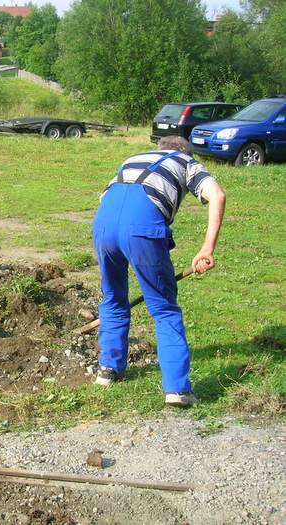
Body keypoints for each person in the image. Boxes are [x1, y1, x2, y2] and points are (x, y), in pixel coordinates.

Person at [92, 135, 226, 407]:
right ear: (186, 152)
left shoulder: (134, 158)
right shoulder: (187, 162)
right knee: (164, 308)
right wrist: (207, 248)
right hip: (142, 226)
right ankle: (177, 390)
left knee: (113, 298)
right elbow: (217, 195)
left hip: (103, 225)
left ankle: (108, 370)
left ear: (160, 149)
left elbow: (107, 195)